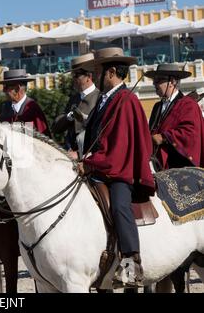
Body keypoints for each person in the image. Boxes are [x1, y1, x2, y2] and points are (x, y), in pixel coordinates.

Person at [78, 47, 155, 287]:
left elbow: (118, 149)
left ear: (110, 72)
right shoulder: (105, 99)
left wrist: (90, 163)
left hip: (119, 170)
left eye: (98, 70)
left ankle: (132, 263)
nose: (94, 75)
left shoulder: (127, 100)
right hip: (99, 167)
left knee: (120, 206)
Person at [146, 64, 204, 171]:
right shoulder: (157, 107)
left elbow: (190, 133)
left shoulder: (188, 105)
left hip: (181, 167)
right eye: (154, 80)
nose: (154, 83)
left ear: (172, 82)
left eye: (158, 80)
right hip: (157, 165)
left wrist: (163, 137)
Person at [52, 53, 100, 159]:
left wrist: (79, 154)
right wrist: (68, 117)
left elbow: (99, 136)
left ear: (89, 76)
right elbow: (56, 127)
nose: (73, 79)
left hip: (88, 158)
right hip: (68, 154)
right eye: (72, 75)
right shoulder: (73, 98)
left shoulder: (99, 98)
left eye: (76, 75)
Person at [0, 69, 50, 136]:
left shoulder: (32, 109)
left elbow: (44, 140)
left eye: (6, 87)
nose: (3, 91)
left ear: (17, 88)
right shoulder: (6, 108)